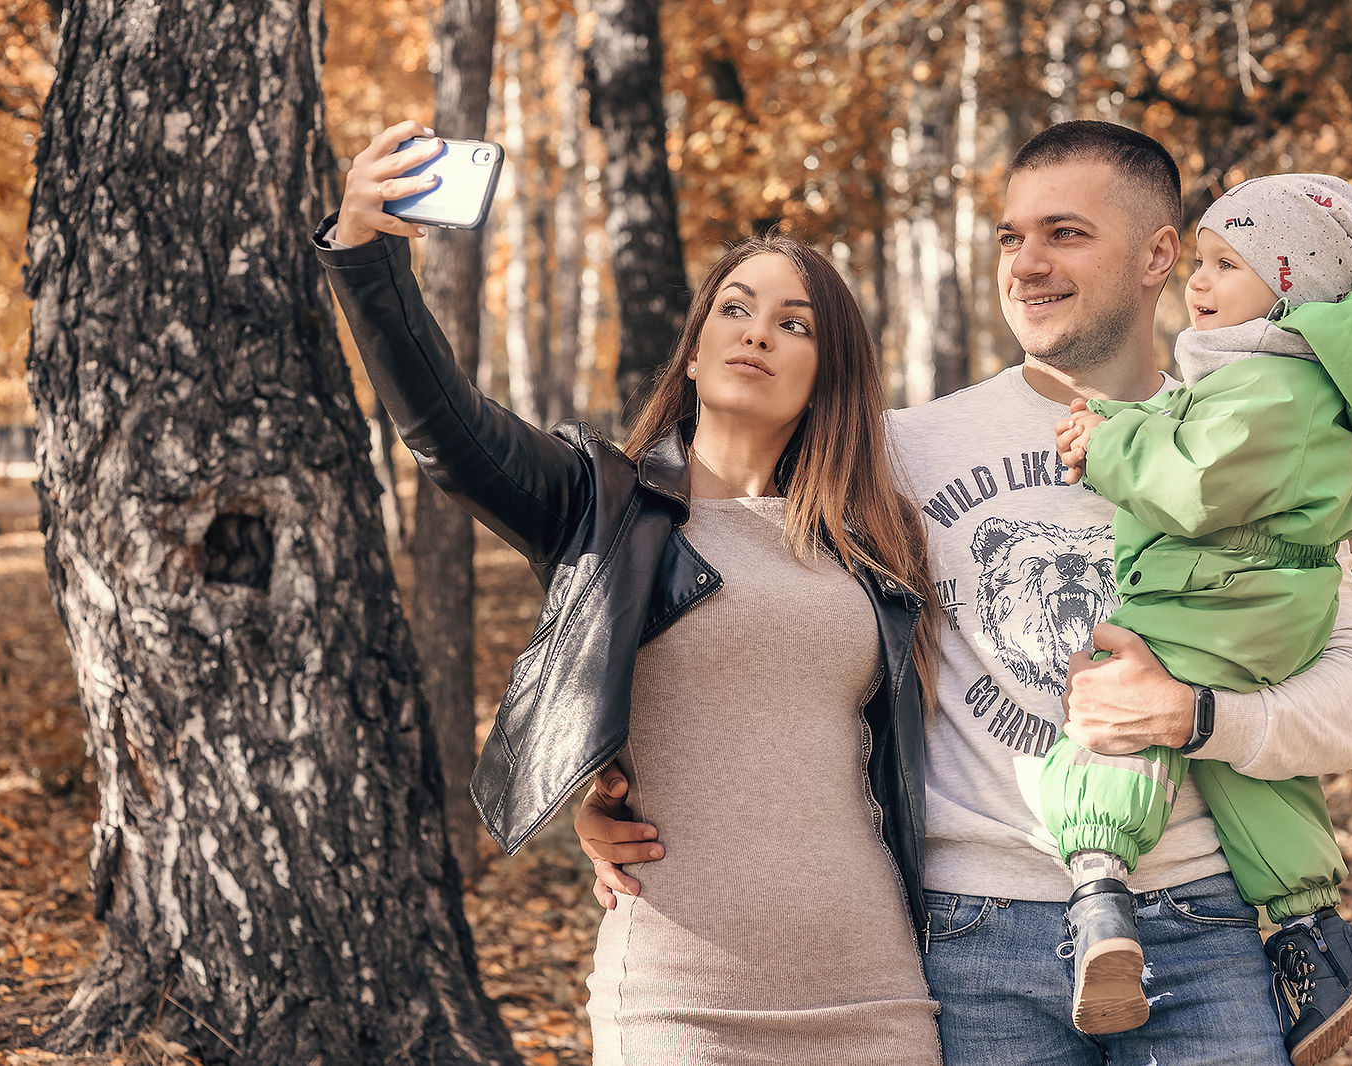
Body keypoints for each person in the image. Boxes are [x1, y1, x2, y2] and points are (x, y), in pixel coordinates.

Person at [580, 121, 1352, 1066]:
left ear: (1160, 254)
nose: (1027, 265)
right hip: (974, 941)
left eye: (1066, 233)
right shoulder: (898, 452)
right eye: (1012, 237)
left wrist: (1193, 714)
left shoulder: (1249, 442)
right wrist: (605, 776)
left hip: (1199, 929)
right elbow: (720, 600)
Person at [314, 121, 943, 1065]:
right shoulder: (600, 503)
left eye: (794, 322)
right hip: (677, 998)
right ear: (692, 352)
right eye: (735, 308)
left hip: (873, 985)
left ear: (827, 376)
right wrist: (364, 254)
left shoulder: (876, 545)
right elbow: (449, 428)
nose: (759, 332)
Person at [1045, 173, 1352, 1062]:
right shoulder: (1273, 379)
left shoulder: (1275, 384)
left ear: (1293, 286)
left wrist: (1107, 443)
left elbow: (1195, 481)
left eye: (1229, 262)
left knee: (1124, 706)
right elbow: (1193, 437)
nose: (1201, 281)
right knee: (1250, 772)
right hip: (1260, 605)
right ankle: (1311, 936)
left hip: (1228, 597)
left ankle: (1100, 887)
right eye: (1203, 261)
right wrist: (1120, 420)